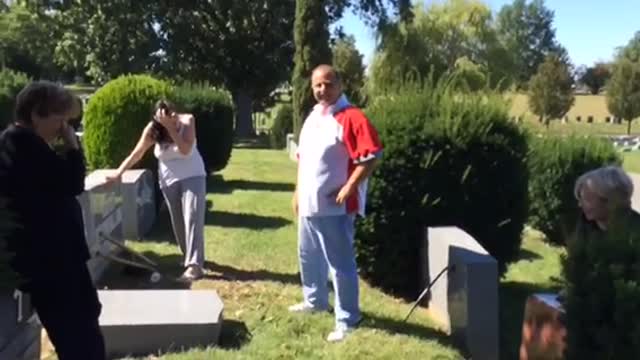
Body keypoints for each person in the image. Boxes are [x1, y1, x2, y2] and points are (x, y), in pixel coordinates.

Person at [0, 81, 106, 359]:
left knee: (85, 326)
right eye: (61, 119)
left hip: (58, 261)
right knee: (80, 342)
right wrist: (73, 147)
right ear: (37, 114)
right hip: (53, 264)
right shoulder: (22, 144)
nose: (64, 128)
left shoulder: (25, 145)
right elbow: (72, 182)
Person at [290, 64, 383, 342]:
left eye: (328, 84)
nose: (322, 90)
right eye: (317, 85)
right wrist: (297, 192)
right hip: (309, 204)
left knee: (340, 264)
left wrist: (350, 186)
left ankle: (347, 319)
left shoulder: (352, 117)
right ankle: (314, 300)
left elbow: (372, 156)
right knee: (308, 256)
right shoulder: (312, 118)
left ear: (340, 85)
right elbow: (303, 160)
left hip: (335, 208)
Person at [106, 100, 207, 281]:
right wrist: (118, 173)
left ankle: (194, 266)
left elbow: (185, 150)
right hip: (168, 181)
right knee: (178, 222)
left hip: (194, 176)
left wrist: (172, 128)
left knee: (192, 216)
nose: (173, 118)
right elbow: (137, 153)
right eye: (167, 116)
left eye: (173, 114)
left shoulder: (187, 121)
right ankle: (189, 256)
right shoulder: (153, 130)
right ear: (158, 118)